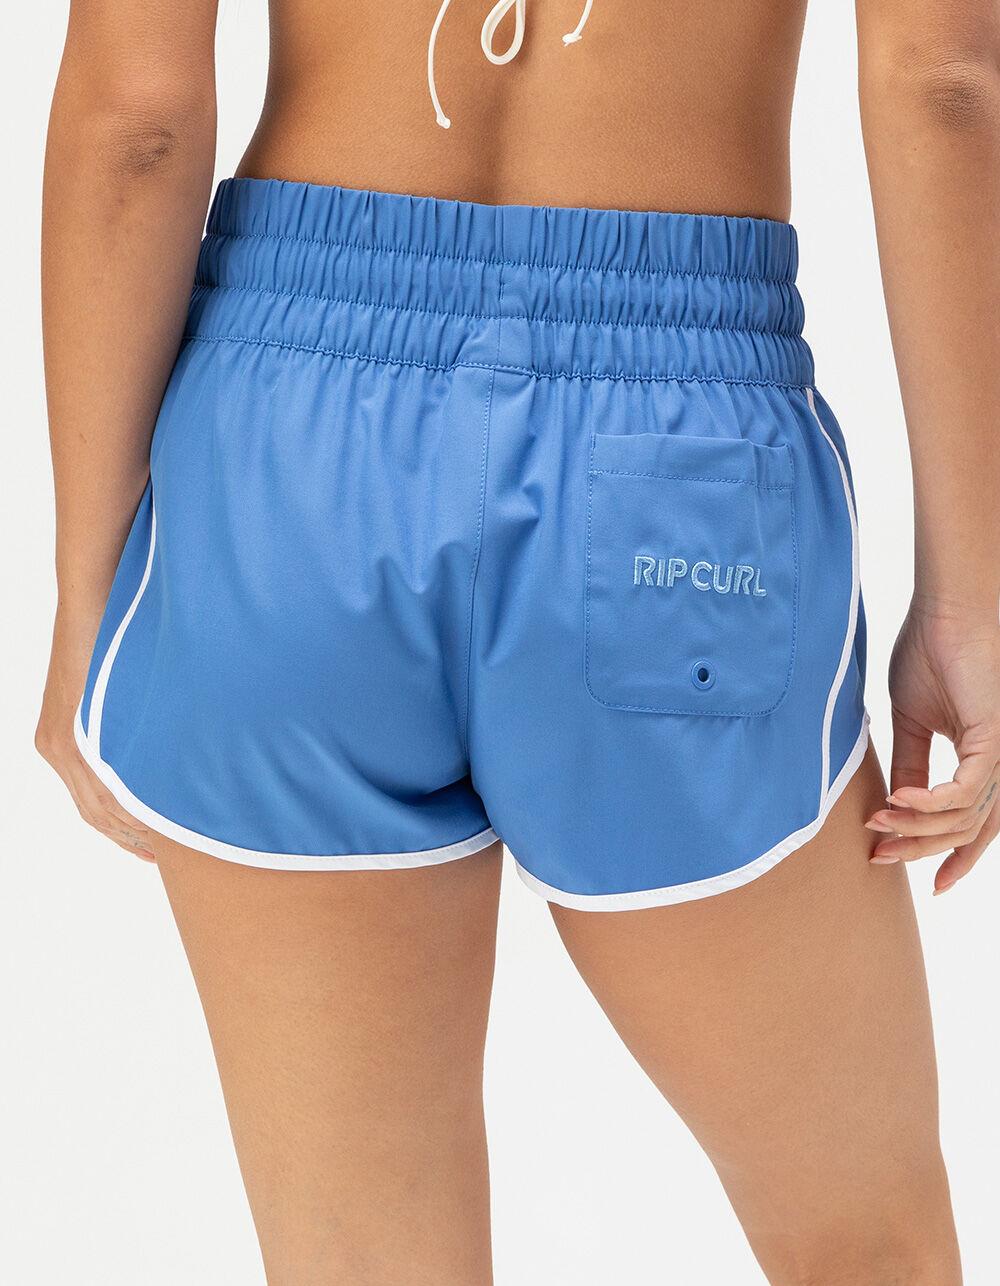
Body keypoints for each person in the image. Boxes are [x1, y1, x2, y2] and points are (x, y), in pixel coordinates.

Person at [35, 1, 999, 1282]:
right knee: (866, 1245)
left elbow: (137, 119)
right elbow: (940, 79)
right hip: (674, 446)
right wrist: (969, 603)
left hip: (288, 452)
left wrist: (90, 598)